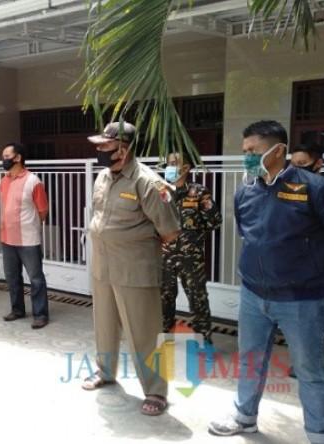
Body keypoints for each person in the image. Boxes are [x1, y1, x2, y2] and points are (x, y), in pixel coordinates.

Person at [209, 121, 324, 444]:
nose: (247, 157)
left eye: (253, 151)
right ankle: (245, 417)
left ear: (278, 150)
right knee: (250, 361)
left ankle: (320, 436)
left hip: (302, 299)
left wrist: (315, 272)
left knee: (310, 371)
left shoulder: (316, 189)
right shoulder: (246, 192)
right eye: (245, 151)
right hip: (253, 295)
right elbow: (249, 236)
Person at [84, 122, 180, 416]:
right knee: (104, 323)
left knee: (144, 331)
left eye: (105, 146)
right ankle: (105, 371)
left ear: (123, 149)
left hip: (134, 267)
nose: (100, 150)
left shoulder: (148, 182)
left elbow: (169, 231)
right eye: (99, 145)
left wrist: (135, 244)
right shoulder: (102, 177)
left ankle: (155, 390)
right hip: (103, 264)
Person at [161, 153, 222, 343]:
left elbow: (214, 221)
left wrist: (194, 238)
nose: (169, 167)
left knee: (198, 300)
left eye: (174, 163)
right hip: (164, 256)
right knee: (163, 300)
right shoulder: (161, 191)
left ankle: (203, 343)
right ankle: (164, 339)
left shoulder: (199, 192)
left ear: (186, 168)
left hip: (191, 259)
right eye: (168, 164)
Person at [289, 144, 324, 355]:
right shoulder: (289, 193)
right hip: (299, 269)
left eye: (302, 164)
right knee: (303, 321)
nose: (296, 170)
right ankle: (305, 362)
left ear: (318, 164)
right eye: (293, 165)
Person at [0, 142, 50, 329]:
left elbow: (43, 210)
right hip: (7, 237)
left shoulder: (33, 181)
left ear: (18, 157)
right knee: (12, 277)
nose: (4, 160)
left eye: (7, 156)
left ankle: (40, 314)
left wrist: (31, 225)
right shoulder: (3, 181)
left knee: (35, 278)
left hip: (28, 238)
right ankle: (17, 309)